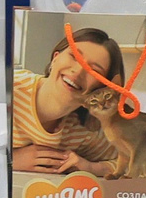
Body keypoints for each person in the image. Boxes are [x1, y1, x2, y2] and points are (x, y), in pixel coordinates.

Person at [11, 28, 126, 179]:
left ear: (101, 90)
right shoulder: (8, 89)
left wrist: (90, 167)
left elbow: (129, 163)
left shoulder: (88, 129)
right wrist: (11, 160)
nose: (78, 72)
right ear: (55, 58)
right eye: (74, 56)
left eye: (94, 71)